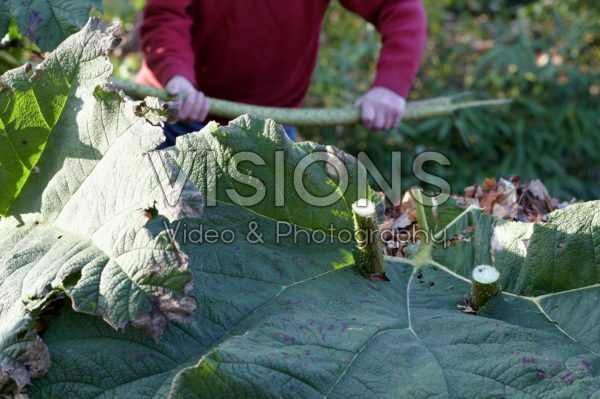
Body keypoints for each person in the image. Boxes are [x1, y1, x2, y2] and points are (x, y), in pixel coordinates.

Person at [138, 0, 427, 144]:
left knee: (253, 249)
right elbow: (166, 16)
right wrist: (177, 78)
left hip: (269, 132)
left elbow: (399, 7)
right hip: (169, 116)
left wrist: (390, 85)